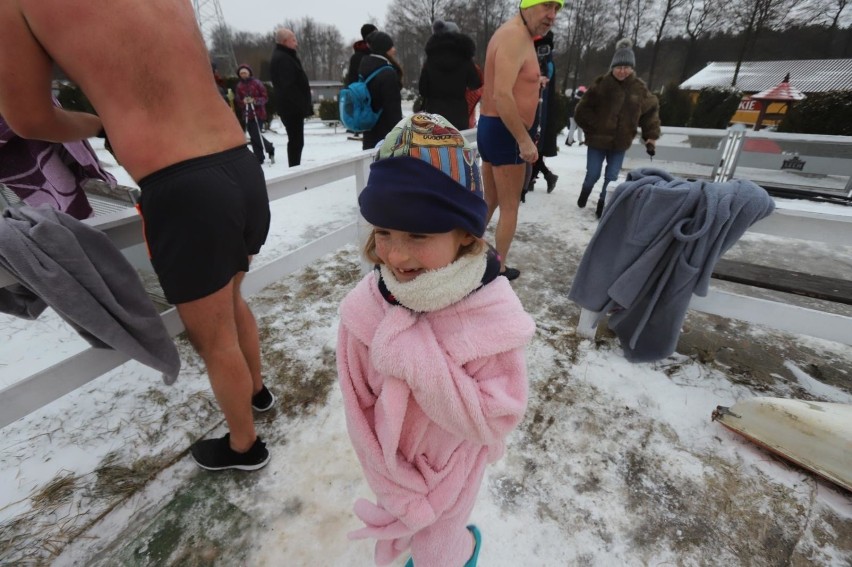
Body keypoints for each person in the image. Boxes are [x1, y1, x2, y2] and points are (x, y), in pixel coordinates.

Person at [0, 0, 274, 471]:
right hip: (238, 162)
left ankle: (244, 447)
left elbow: (28, 118)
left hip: (182, 183)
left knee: (214, 338)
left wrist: (101, 122)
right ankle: (257, 392)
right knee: (232, 300)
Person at [337, 113, 535, 567]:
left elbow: (497, 415)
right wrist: (386, 474)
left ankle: (459, 550)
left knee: (436, 552)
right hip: (391, 471)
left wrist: (412, 358)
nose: (396, 254)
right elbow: (357, 399)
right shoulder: (366, 306)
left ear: (466, 233)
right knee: (414, 540)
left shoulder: (492, 315)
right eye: (383, 232)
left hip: (452, 473)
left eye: (418, 235)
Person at [477, 0, 563, 280]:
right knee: (510, 206)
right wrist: (524, 140)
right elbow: (503, 95)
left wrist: (533, 81)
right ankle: (498, 268)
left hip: (492, 127)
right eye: (547, 6)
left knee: (488, 201)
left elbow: (508, 83)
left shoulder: (514, 34)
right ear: (528, 5)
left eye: (557, 9)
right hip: (506, 132)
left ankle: (462, 255)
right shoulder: (515, 36)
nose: (552, 15)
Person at [574, 38, 660, 218]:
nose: (622, 71)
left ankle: (602, 205)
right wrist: (594, 126)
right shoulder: (601, 85)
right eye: (618, 67)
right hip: (597, 141)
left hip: (620, 142)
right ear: (612, 67)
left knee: (611, 178)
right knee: (593, 174)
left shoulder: (640, 89)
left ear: (632, 68)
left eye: (626, 67)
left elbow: (650, 113)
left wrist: (650, 136)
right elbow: (582, 110)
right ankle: (585, 192)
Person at [417, 20, 482, 131]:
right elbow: (476, 83)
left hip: (434, 114)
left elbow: (423, 89)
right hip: (459, 114)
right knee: (458, 145)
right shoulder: (465, 58)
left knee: (435, 147)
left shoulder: (430, 60)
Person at [270, 28, 314, 167]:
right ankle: (294, 169)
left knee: (296, 141)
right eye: (294, 40)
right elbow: (288, 87)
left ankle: (295, 167)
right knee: (296, 141)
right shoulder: (283, 59)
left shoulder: (286, 56)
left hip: (292, 107)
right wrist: (302, 105)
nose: (296, 43)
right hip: (292, 108)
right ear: (285, 41)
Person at [525, 30, 559, 199]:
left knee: (534, 145)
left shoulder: (543, 56)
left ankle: (531, 180)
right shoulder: (540, 53)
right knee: (533, 145)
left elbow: (545, 78)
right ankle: (541, 177)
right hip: (536, 107)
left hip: (539, 108)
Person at [359, 31, 403, 150]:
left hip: (369, 131)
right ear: (384, 49)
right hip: (386, 135)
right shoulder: (387, 73)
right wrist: (399, 134)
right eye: (391, 46)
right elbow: (393, 108)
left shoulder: (365, 67)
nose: (394, 50)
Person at [235, 64, 275, 165]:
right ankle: (259, 157)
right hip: (247, 114)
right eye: (241, 73)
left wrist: (255, 100)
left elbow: (265, 97)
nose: (243, 75)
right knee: (253, 136)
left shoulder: (257, 83)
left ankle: (269, 147)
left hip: (258, 113)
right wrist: (243, 101)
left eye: (245, 72)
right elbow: (238, 100)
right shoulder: (239, 86)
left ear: (249, 73)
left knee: (256, 134)